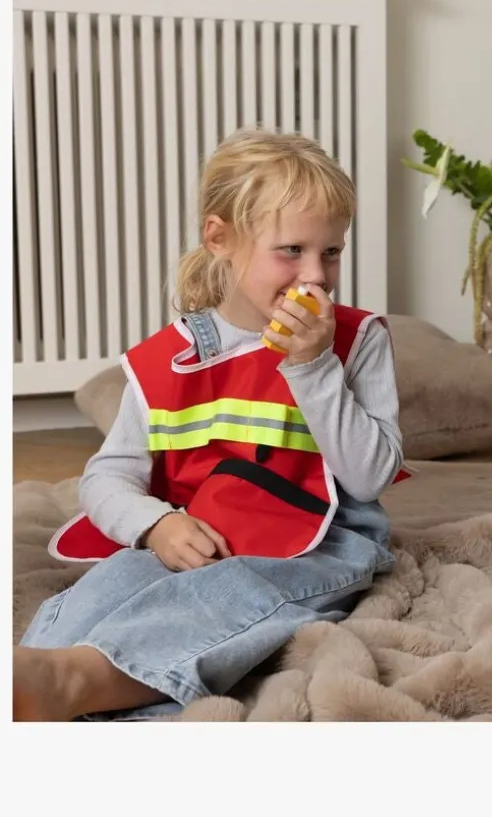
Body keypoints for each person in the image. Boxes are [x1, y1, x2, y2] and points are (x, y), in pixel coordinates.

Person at [14, 127, 405, 721]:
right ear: (220, 238)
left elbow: (371, 476)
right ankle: (39, 669)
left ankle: (74, 685)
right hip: (200, 529)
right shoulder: (167, 361)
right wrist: (156, 525)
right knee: (117, 582)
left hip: (320, 539)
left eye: (331, 251)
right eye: (291, 250)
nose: (316, 276)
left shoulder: (358, 341)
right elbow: (107, 479)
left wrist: (313, 366)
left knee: (230, 595)